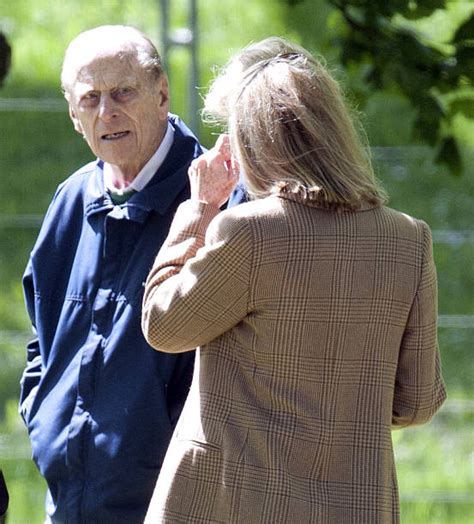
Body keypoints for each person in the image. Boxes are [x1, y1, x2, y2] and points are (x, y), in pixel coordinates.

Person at [141, 37, 447, 523]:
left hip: (233, 505)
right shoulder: (408, 240)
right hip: (355, 507)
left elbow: (163, 324)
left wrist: (199, 209)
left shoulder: (249, 231)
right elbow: (417, 402)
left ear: (255, 143)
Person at [19, 25, 205, 523]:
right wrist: (46, 422)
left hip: (170, 501)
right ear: (73, 116)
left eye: (123, 92)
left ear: (161, 92)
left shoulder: (216, 199)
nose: (108, 112)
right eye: (91, 98)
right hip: (70, 499)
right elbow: (42, 336)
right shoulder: (72, 199)